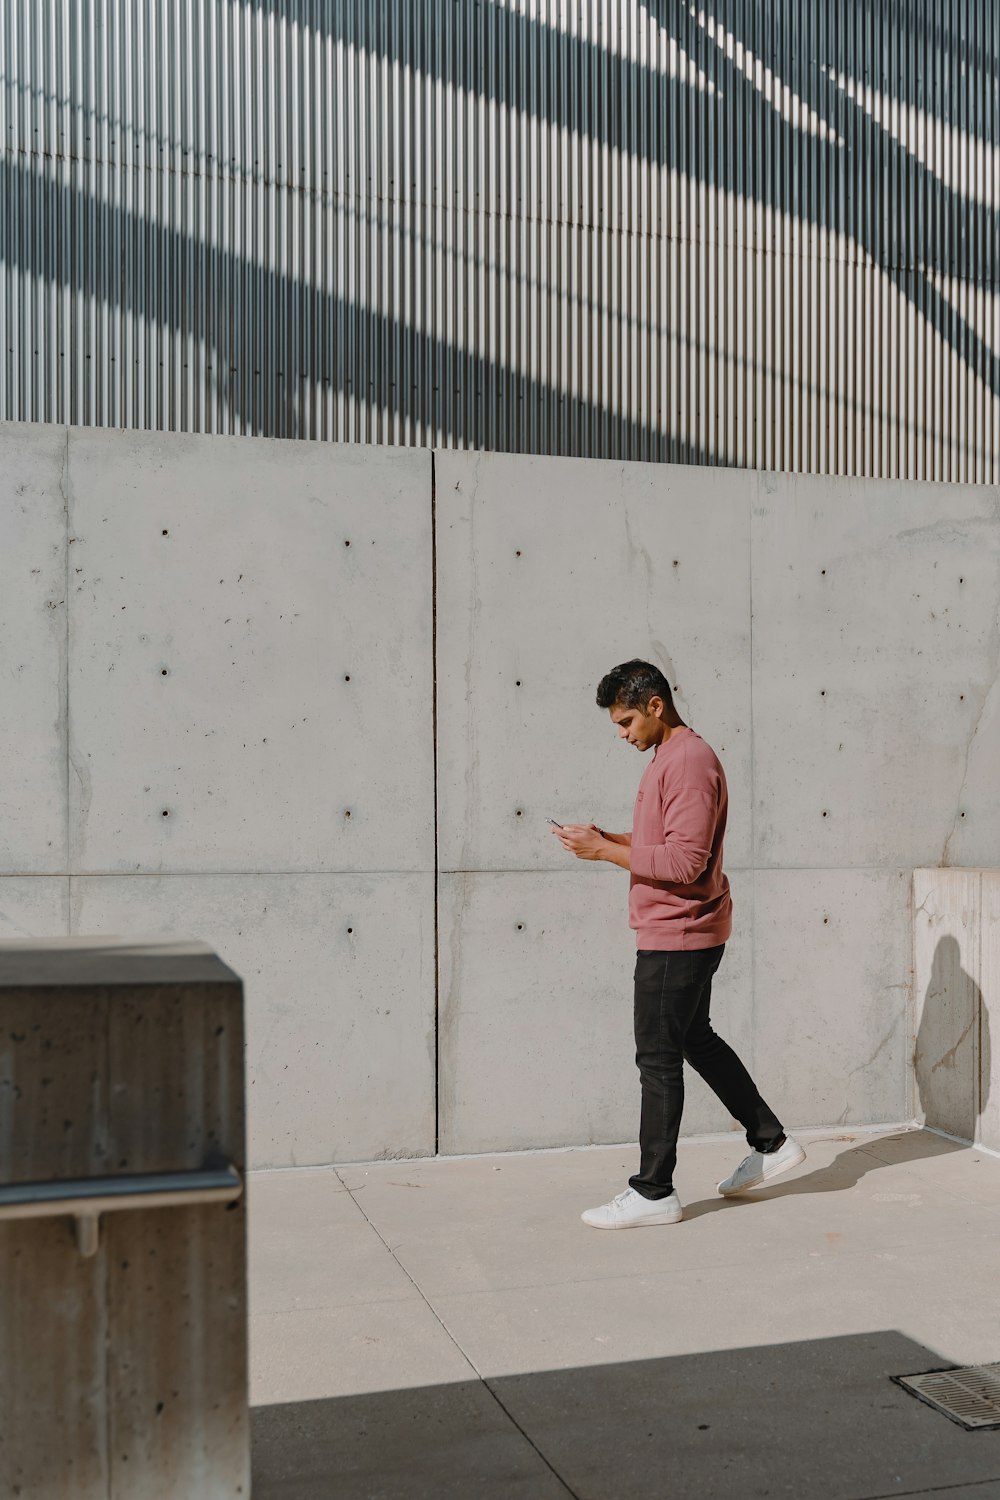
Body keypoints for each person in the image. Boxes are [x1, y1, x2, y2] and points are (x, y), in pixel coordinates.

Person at [552, 659, 804, 1229]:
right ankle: (771, 1142)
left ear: (655, 706)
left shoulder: (688, 761)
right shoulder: (669, 757)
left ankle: (654, 1190)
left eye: (624, 722)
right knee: (695, 1039)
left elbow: (686, 863)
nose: (621, 735)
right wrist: (606, 839)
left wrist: (605, 854)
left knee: (658, 1059)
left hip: (678, 934)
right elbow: (664, 842)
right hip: (683, 929)